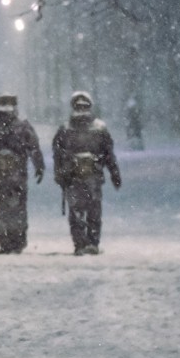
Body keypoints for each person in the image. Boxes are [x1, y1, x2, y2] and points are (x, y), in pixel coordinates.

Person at [0, 94, 44, 254]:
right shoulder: (23, 126)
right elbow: (34, 147)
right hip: (18, 174)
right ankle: (17, 241)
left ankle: (5, 242)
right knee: (18, 208)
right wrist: (39, 166)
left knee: (1, 208)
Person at [53, 92, 122, 255]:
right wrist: (114, 174)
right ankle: (92, 242)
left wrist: (60, 174)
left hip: (72, 176)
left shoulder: (65, 128)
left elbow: (58, 154)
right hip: (94, 176)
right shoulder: (100, 128)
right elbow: (108, 154)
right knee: (94, 210)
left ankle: (79, 243)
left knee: (76, 210)